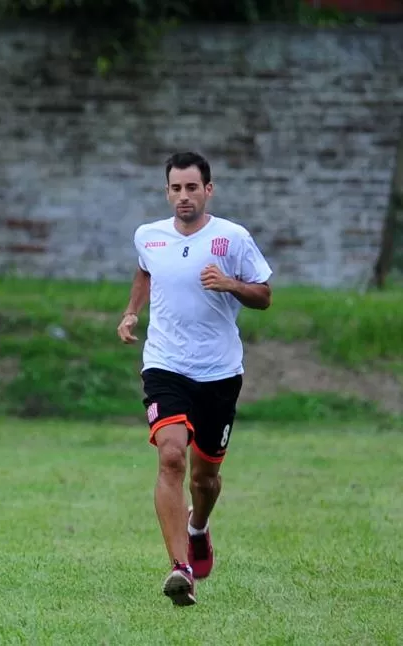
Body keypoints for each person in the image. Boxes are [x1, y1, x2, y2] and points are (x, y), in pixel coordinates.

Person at [117, 151, 273, 607]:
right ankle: (179, 567)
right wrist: (131, 312)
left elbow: (263, 295)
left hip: (219, 372)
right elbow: (146, 270)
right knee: (170, 457)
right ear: (167, 191)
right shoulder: (149, 236)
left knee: (205, 481)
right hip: (165, 365)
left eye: (192, 188)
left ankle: (198, 527)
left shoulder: (233, 238)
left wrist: (232, 285)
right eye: (175, 188)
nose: (183, 196)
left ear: (209, 189)